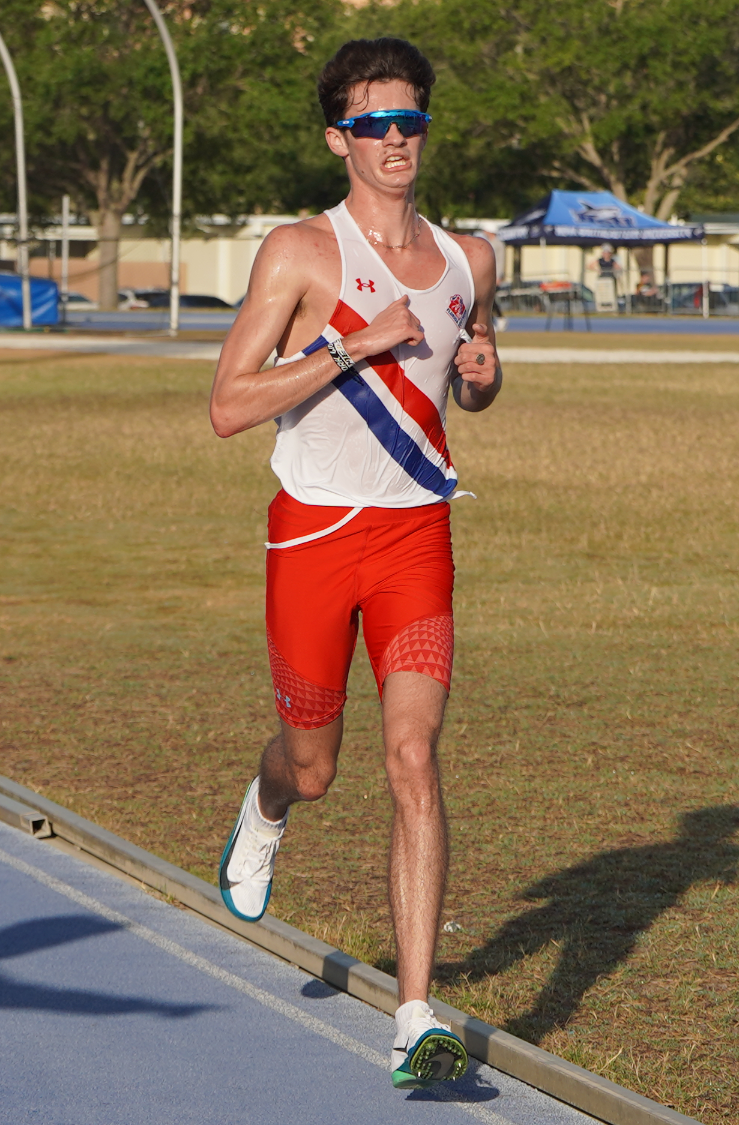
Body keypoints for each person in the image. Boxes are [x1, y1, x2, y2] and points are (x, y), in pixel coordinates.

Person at [207, 37, 502, 1093]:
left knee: (413, 758)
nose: (394, 142)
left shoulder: (472, 259)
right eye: (373, 125)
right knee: (316, 766)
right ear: (337, 137)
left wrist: (483, 376)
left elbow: (464, 383)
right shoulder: (297, 253)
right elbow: (227, 406)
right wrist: (346, 347)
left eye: (409, 122)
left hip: (416, 535)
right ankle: (264, 807)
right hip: (314, 535)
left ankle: (414, 1016)